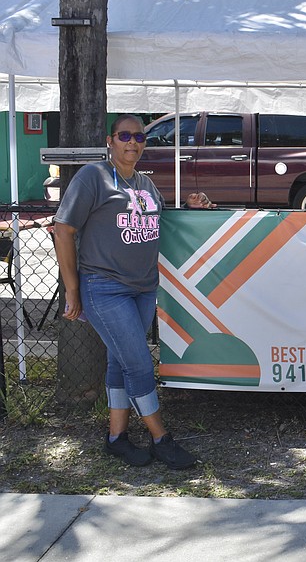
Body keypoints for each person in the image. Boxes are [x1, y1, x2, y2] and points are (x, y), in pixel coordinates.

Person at [54, 114, 213, 469]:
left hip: (142, 288)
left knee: (120, 361)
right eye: (124, 135)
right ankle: (161, 438)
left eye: (139, 137)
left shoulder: (145, 182)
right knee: (139, 363)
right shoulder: (93, 177)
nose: (133, 142)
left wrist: (190, 208)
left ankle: (116, 437)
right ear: (110, 141)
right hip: (104, 287)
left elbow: (160, 222)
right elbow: (63, 229)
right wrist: (73, 290)